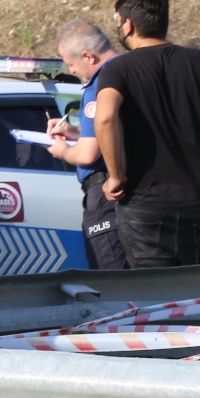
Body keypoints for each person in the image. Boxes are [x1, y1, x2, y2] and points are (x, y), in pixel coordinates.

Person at [97, 0, 200, 267]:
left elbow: (104, 118)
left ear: (127, 25)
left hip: (146, 205)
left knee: (155, 299)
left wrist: (115, 177)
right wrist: (189, 132)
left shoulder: (118, 69)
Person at [45, 20, 127, 270]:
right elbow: (117, 131)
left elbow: (88, 154)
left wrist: (63, 150)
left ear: (88, 56)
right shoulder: (133, 70)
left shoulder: (101, 84)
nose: (72, 70)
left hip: (106, 191)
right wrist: (77, 131)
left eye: (71, 64)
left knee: (115, 282)